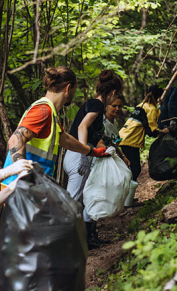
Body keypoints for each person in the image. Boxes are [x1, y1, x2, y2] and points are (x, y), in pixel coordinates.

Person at [0, 67, 109, 291]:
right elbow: (15, 141)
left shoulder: (50, 112)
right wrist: (23, 179)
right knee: (14, 246)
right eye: (74, 91)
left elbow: (65, 139)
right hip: (23, 187)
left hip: (34, 187)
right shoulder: (43, 110)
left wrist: (92, 151)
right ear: (69, 88)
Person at [63, 70, 123, 250]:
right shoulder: (97, 105)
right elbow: (82, 127)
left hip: (82, 155)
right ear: (112, 93)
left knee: (88, 194)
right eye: (117, 95)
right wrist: (84, 153)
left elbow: (94, 134)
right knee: (72, 200)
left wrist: (102, 148)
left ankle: (89, 237)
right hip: (77, 157)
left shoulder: (95, 105)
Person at [120, 85, 169, 182]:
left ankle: (126, 194)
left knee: (127, 167)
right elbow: (152, 131)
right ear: (159, 97)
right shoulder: (152, 109)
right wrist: (165, 131)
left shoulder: (141, 105)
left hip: (123, 136)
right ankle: (127, 195)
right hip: (130, 140)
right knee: (135, 169)